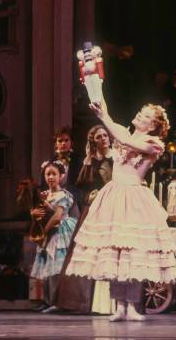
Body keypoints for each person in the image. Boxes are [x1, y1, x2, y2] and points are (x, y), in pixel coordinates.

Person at [65, 101, 176, 322]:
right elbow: (119, 134)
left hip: (134, 197)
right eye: (140, 111)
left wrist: (105, 115)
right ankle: (119, 305)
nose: (139, 115)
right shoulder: (123, 135)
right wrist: (104, 114)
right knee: (115, 252)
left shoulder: (153, 143)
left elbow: (125, 139)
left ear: (153, 125)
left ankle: (133, 306)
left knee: (133, 251)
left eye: (145, 115)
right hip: (114, 195)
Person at [55, 125, 115, 314]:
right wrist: (89, 161)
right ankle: (81, 301)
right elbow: (81, 184)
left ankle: (112, 301)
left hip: (114, 206)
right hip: (94, 208)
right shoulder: (91, 160)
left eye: (105, 135)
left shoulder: (116, 157)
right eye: (99, 136)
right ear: (93, 140)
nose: (104, 138)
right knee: (85, 252)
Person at [30, 161, 77, 312]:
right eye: (47, 174)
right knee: (46, 266)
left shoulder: (63, 195)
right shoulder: (44, 195)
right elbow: (39, 213)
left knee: (57, 267)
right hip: (47, 230)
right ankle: (47, 300)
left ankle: (58, 301)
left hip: (59, 231)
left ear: (61, 176)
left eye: (54, 174)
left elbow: (57, 216)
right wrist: (33, 214)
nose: (50, 177)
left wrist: (44, 232)